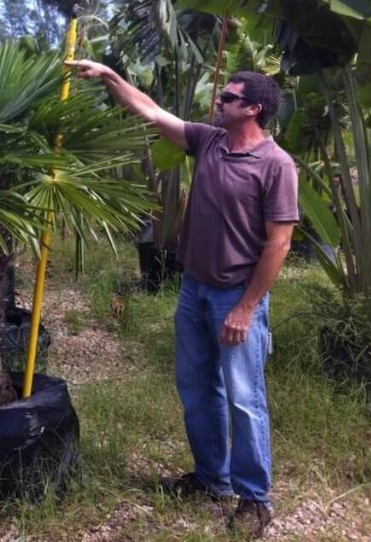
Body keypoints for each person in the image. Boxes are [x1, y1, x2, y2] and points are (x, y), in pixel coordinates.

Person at [68, 60, 298, 539]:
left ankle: (255, 499)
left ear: (253, 109)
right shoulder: (209, 140)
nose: (219, 101)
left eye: (229, 98)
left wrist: (247, 307)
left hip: (236, 296)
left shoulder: (276, 165)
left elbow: (279, 244)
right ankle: (212, 479)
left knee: (244, 398)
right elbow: (151, 113)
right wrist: (110, 76)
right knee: (196, 389)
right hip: (194, 288)